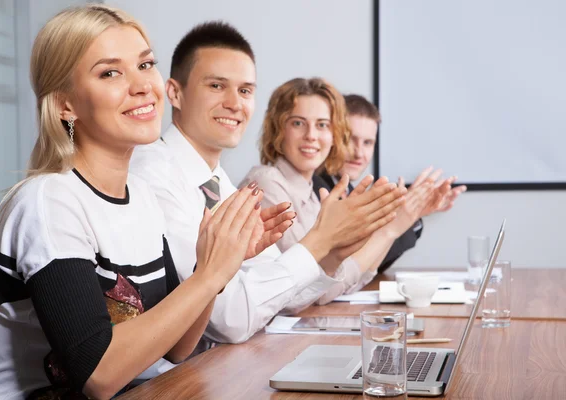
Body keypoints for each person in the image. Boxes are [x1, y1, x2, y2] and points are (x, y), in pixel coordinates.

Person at [0, 6, 262, 399]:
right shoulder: (49, 200)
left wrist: (219, 267)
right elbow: (99, 375)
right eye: (110, 72)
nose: (142, 86)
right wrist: (208, 276)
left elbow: (175, 348)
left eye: (145, 64)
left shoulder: (140, 194)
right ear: (64, 106)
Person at [130, 21, 406, 345]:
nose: (235, 103)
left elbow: (283, 293)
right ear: (175, 93)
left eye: (245, 90)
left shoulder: (220, 183)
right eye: (217, 86)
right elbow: (230, 319)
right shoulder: (153, 175)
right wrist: (322, 240)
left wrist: (331, 254)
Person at [242, 77, 433, 304]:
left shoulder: (313, 193)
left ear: (334, 135)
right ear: (277, 130)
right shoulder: (266, 185)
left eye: (322, 125)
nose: (311, 135)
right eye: (298, 123)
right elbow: (309, 292)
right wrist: (389, 230)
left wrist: (388, 227)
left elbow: (345, 281)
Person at [313, 94, 468, 273]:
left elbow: (371, 266)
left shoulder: (348, 189)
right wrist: (403, 217)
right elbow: (347, 268)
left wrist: (412, 213)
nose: (359, 153)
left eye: (368, 143)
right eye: (349, 140)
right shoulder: (316, 188)